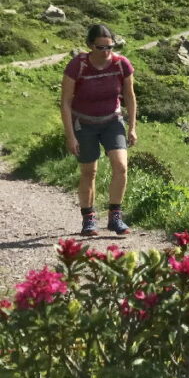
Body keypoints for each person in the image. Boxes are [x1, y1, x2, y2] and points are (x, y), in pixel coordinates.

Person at [60, 24, 137, 236]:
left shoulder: (122, 64)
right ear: (90, 46)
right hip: (84, 123)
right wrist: (70, 135)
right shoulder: (78, 65)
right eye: (101, 47)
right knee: (89, 171)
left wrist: (132, 127)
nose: (106, 52)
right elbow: (65, 102)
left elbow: (130, 97)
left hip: (112, 120)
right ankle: (89, 219)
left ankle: (115, 217)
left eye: (110, 46)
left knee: (121, 166)